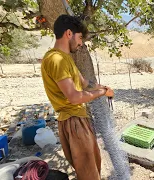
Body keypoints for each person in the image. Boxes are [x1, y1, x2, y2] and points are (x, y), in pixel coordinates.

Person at [41, 15, 114, 180]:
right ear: (68, 33)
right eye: (80, 37)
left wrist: (103, 87)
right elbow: (74, 97)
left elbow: (83, 82)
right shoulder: (56, 59)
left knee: (93, 166)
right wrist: (102, 94)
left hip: (78, 120)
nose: (81, 43)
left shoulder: (65, 59)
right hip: (74, 123)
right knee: (89, 174)